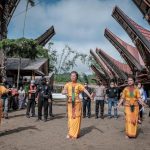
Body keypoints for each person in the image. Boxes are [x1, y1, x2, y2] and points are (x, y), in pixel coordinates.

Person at [62, 71, 93, 139]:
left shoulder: (79, 85)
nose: (73, 77)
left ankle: (75, 134)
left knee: (76, 118)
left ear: (76, 77)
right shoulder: (67, 84)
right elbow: (63, 91)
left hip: (77, 103)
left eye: (74, 76)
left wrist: (90, 96)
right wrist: (64, 92)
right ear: (70, 77)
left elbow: (85, 90)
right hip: (70, 103)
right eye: (72, 75)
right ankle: (70, 133)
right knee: (70, 119)